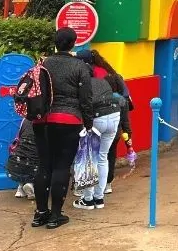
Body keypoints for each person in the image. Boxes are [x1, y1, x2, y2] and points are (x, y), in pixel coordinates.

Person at [32, 27, 93, 229]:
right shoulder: (79, 67)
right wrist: (88, 122)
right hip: (69, 121)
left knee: (44, 165)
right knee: (61, 166)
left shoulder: (44, 64)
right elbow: (86, 99)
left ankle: (40, 213)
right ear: (73, 44)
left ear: (55, 43)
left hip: (42, 121)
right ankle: (56, 215)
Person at [73, 73, 120, 210]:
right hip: (114, 116)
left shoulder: (82, 85)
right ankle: (99, 198)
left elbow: (84, 105)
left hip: (97, 118)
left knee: (89, 159)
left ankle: (87, 200)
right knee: (102, 157)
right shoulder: (102, 81)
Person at [8, 119, 37, 200]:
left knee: (22, 165)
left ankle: (20, 188)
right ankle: (30, 184)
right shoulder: (43, 120)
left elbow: (19, 135)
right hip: (34, 156)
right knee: (37, 163)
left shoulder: (25, 120)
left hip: (19, 154)